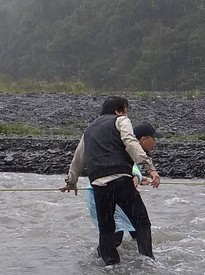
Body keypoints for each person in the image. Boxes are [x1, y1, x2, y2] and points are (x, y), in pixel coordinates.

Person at [60, 96, 161, 265]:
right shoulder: (120, 120)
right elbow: (131, 143)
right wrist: (150, 167)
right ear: (117, 111)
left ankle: (110, 265)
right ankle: (147, 261)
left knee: (106, 229)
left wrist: (71, 181)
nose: (127, 114)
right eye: (126, 110)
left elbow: (78, 158)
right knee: (142, 222)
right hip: (121, 179)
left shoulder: (89, 131)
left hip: (99, 184)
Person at [85, 122, 164, 250]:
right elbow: (125, 169)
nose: (155, 142)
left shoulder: (127, 148)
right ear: (143, 139)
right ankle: (142, 260)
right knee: (117, 234)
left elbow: (129, 170)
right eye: (153, 138)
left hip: (105, 187)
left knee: (129, 229)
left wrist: (139, 178)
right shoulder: (131, 148)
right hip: (105, 189)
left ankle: (114, 260)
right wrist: (136, 176)